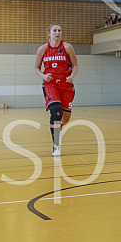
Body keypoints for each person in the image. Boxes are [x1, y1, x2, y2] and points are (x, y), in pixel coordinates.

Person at [34, 24, 78, 157]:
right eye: (54, 30)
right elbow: (36, 67)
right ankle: (56, 146)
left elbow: (75, 65)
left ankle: (59, 128)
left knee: (65, 118)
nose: (57, 32)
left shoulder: (67, 47)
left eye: (59, 30)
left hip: (65, 84)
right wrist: (43, 76)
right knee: (55, 112)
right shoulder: (42, 49)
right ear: (49, 33)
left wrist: (71, 76)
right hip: (50, 84)